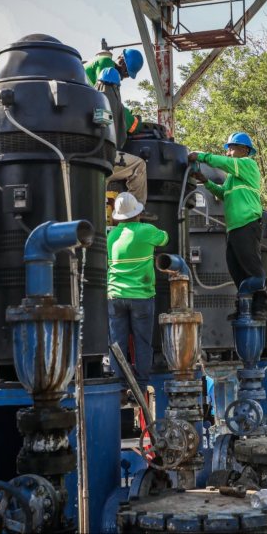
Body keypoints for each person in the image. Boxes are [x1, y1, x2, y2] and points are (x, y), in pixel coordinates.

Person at [188, 132, 267, 320]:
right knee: (236, 271)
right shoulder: (233, 177)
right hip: (233, 228)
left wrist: (201, 156)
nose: (228, 153)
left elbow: (223, 163)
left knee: (252, 270)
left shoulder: (247, 164)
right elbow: (223, 194)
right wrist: (205, 181)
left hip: (247, 223)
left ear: (244, 150)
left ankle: (261, 304)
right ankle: (244, 307)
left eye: (231, 148)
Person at [107, 192, 168, 394]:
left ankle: (120, 386)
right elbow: (165, 238)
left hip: (115, 297)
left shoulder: (111, 236)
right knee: (143, 342)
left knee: (117, 344)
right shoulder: (147, 231)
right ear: (137, 213)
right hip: (142, 297)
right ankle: (141, 386)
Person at [94, 67, 148, 206]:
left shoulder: (88, 99)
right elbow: (135, 127)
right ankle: (135, 208)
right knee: (139, 165)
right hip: (107, 157)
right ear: (116, 88)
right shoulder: (121, 109)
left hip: (85, 158)